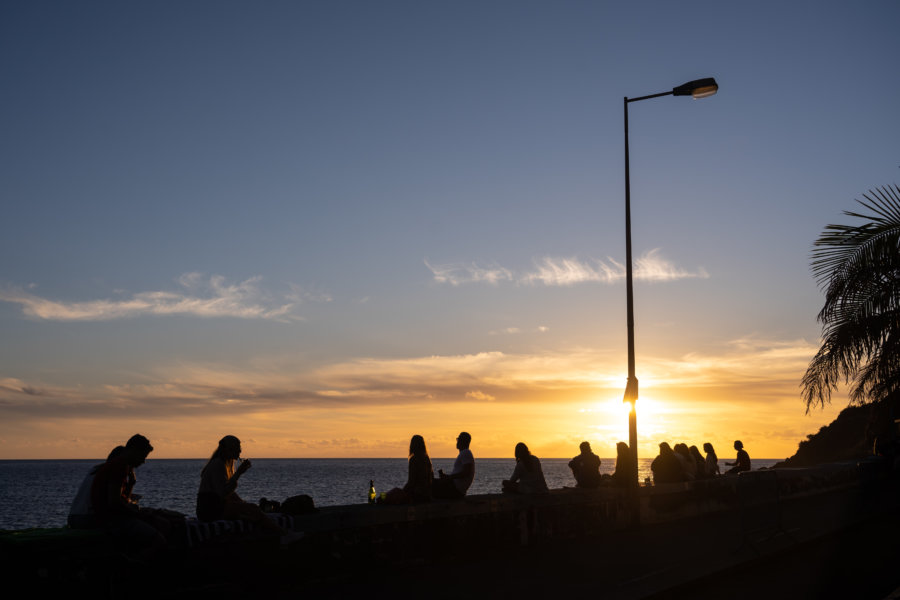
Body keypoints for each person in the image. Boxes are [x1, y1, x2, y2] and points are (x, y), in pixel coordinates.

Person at [90, 434, 168, 560]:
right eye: (143, 456)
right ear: (133, 451)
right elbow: (114, 503)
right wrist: (138, 514)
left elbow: (119, 500)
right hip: (111, 521)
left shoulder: (118, 465)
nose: (143, 461)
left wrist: (131, 483)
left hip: (109, 517)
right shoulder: (119, 466)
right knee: (159, 540)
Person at [197, 435, 284, 535]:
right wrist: (238, 473)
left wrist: (243, 503)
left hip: (211, 510)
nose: (240, 451)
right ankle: (283, 534)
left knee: (251, 510)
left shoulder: (224, 464)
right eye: (237, 448)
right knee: (253, 510)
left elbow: (230, 493)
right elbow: (223, 493)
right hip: (210, 511)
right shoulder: (218, 464)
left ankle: (277, 534)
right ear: (229, 449)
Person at [69, 445, 128, 528]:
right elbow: (115, 503)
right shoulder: (113, 471)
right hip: (87, 518)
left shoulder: (95, 469)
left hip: (73, 517)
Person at [383, 435, 434, 504]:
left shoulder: (414, 459)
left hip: (416, 495)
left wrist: (402, 491)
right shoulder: (427, 459)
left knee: (391, 493)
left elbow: (411, 482)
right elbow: (431, 478)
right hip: (427, 495)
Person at [432, 431, 475, 500]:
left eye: (458, 439)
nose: (457, 441)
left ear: (463, 441)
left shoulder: (466, 453)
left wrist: (449, 477)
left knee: (430, 484)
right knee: (432, 481)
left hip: (456, 490)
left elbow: (466, 472)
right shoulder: (464, 453)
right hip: (455, 488)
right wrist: (447, 477)